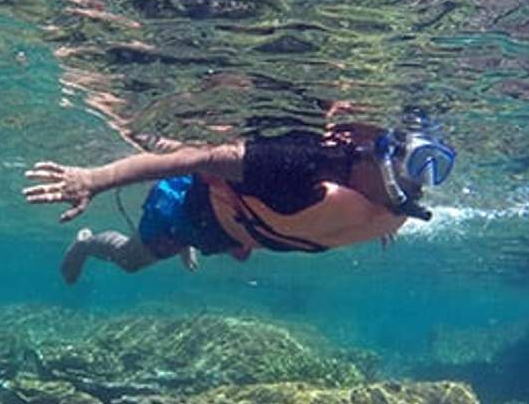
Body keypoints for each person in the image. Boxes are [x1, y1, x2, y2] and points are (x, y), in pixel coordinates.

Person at [23, 112, 455, 284]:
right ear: (377, 157)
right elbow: (196, 158)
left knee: (231, 244)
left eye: (425, 180)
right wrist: (95, 178)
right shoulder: (298, 166)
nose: (418, 190)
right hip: (191, 205)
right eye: (412, 173)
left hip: (238, 228)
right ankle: (86, 243)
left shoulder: (390, 204)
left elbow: (363, 210)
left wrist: (381, 221)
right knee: (130, 261)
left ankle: (196, 243)